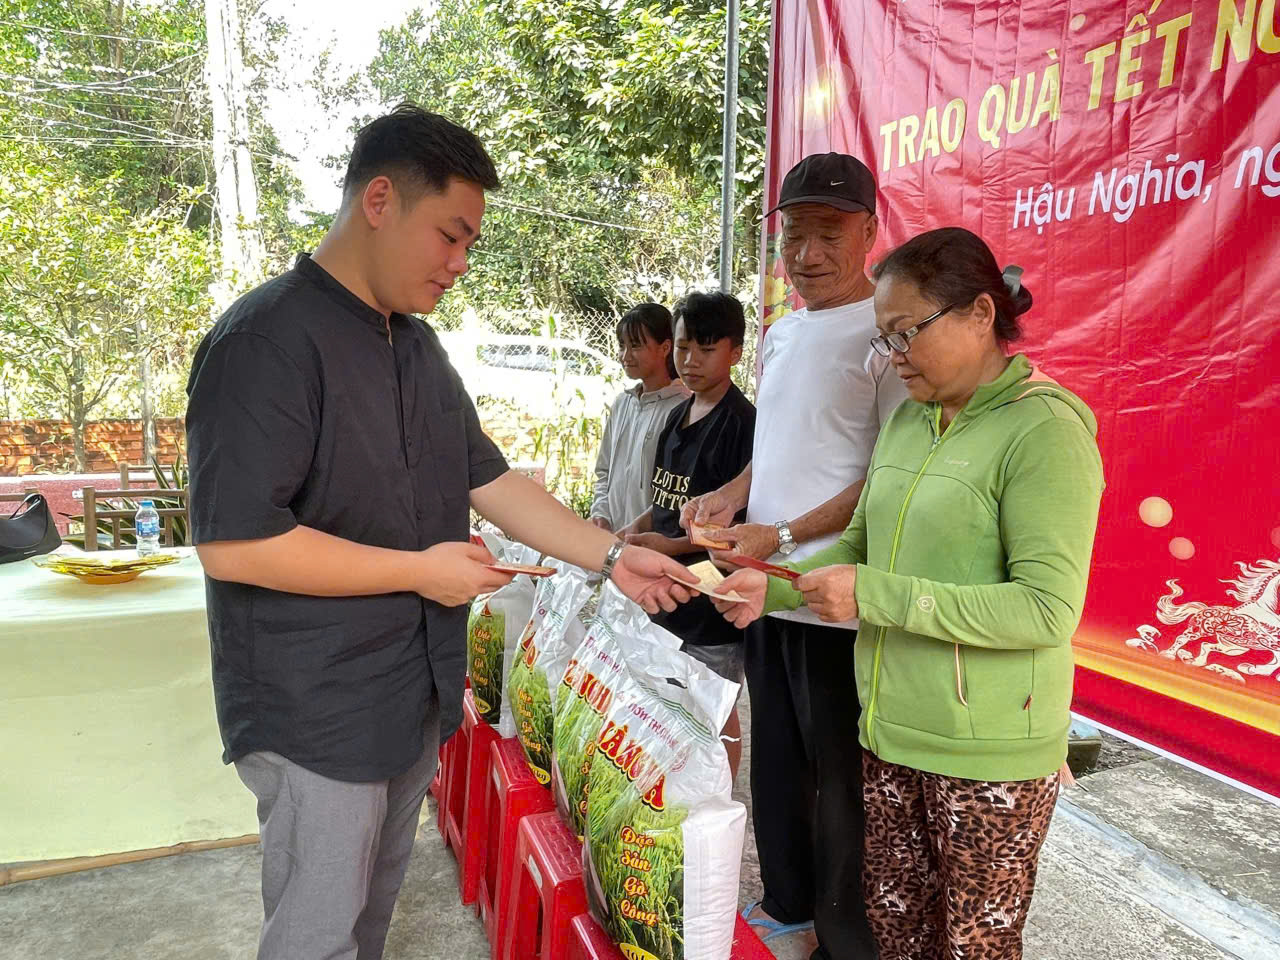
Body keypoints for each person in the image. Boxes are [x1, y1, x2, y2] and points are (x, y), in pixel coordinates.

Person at [184, 104, 694, 960]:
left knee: (367, 919)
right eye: (450, 236)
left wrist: (614, 557)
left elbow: (489, 479)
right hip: (317, 707)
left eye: (470, 244)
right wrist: (420, 571)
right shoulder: (266, 342)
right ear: (380, 200)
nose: (460, 263)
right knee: (316, 934)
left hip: (407, 690)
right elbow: (236, 544)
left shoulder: (416, 348)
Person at [713, 227, 1105, 960]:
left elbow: (1046, 609)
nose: (894, 355)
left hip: (988, 754)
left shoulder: (1044, 429)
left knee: (972, 946)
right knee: (894, 933)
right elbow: (860, 545)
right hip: (889, 731)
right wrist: (769, 590)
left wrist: (877, 596)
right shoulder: (907, 421)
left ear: (980, 313)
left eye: (906, 333)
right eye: (884, 338)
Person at [680, 153, 906, 959]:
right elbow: (778, 443)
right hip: (763, 587)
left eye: (827, 234)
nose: (806, 254)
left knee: (840, 779)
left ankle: (843, 938)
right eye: (793, 235)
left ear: (871, 231)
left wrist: (782, 533)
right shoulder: (781, 333)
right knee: (775, 759)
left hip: (834, 594)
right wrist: (732, 495)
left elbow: (887, 473)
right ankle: (785, 904)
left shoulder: (889, 331)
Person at [617, 292, 755, 777]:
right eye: (682, 348)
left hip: (712, 604)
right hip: (663, 594)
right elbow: (664, 500)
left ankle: (719, 797)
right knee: (663, 706)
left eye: (706, 349)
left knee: (713, 715)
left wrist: (670, 547)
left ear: (735, 352)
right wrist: (635, 529)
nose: (691, 361)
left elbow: (735, 531)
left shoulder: (743, 425)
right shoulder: (677, 414)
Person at [589, 303, 689, 531]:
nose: (626, 355)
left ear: (665, 347)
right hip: (612, 536)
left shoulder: (682, 408)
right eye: (622, 345)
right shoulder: (622, 403)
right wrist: (601, 513)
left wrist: (643, 530)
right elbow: (604, 471)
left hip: (655, 540)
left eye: (635, 345)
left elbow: (678, 490)